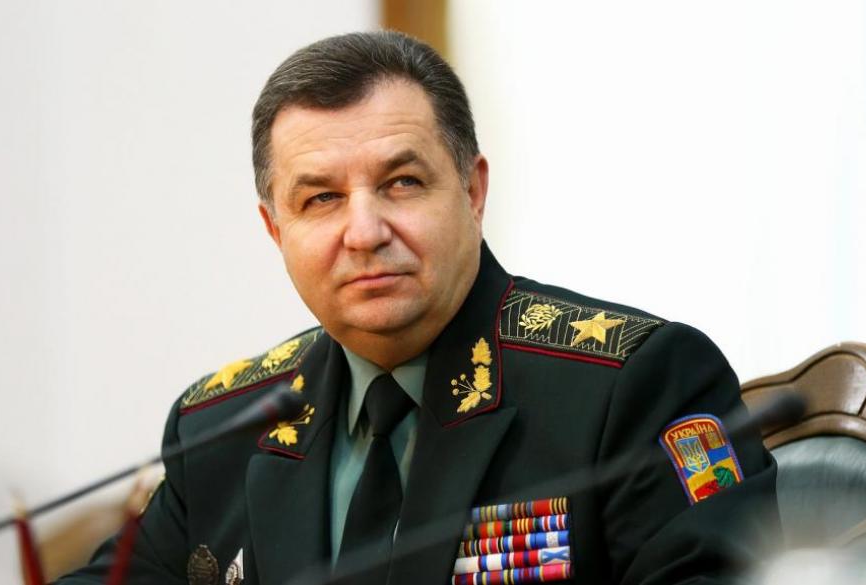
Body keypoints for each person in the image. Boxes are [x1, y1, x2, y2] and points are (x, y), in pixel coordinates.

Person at [57, 31, 779, 585]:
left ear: (472, 191)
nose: (364, 232)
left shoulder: (634, 385)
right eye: (321, 199)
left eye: (401, 182)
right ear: (276, 230)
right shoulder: (223, 428)